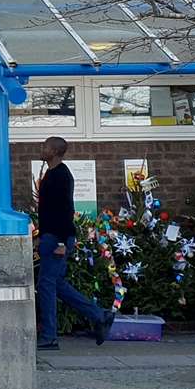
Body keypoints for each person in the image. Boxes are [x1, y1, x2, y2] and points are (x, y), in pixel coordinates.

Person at [35, 137, 113, 350]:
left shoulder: (61, 175)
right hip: (51, 237)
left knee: (46, 285)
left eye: (45, 147)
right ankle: (100, 315)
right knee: (56, 284)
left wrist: (60, 241)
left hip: (57, 238)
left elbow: (64, 210)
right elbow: (48, 211)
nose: (42, 149)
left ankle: (50, 336)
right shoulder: (52, 173)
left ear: (55, 151)